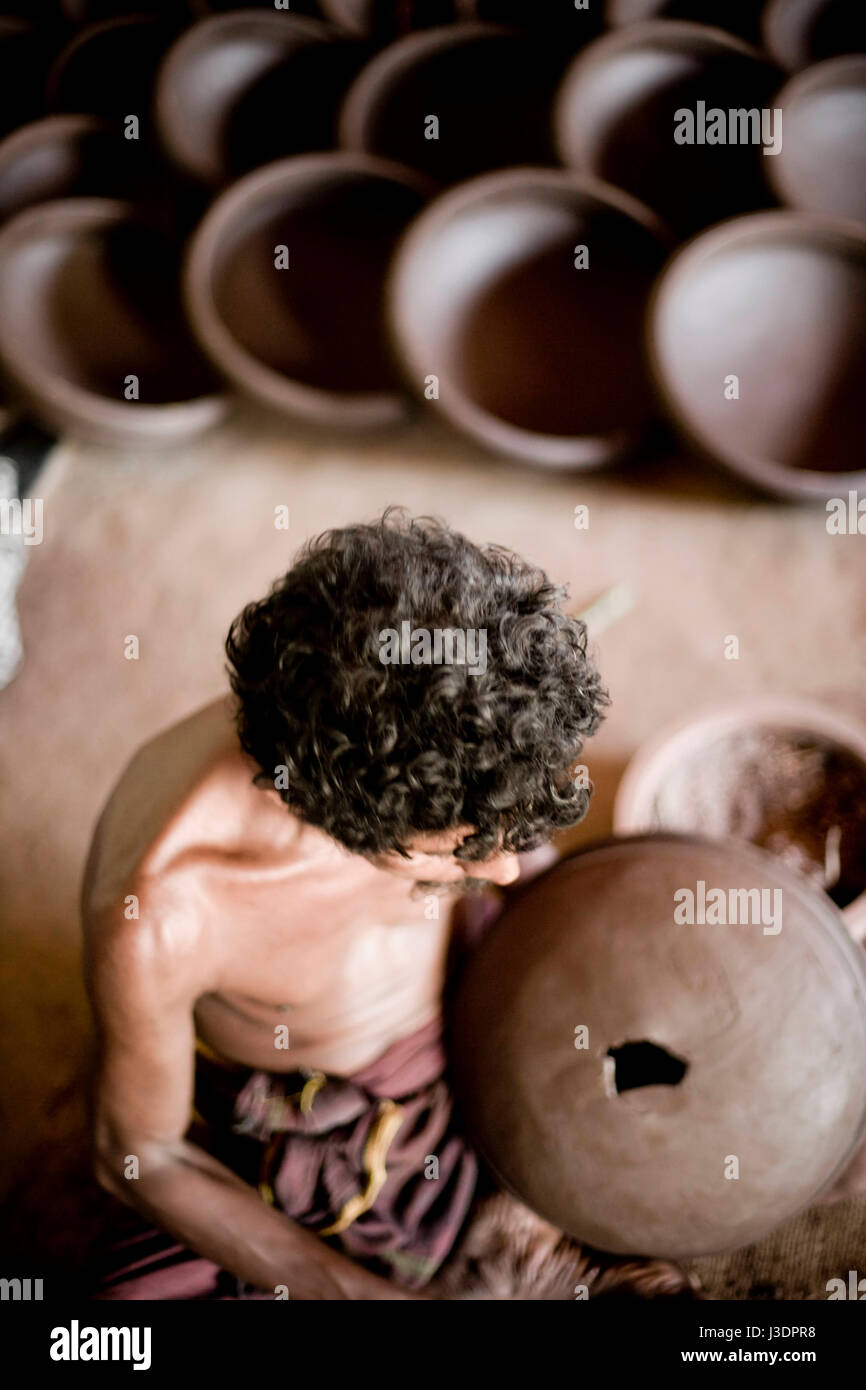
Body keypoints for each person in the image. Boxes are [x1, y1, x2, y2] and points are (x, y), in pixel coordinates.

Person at [83, 510, 685, 1300]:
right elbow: (139, 1156)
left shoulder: (464, 680)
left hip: (476, 1000)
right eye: (463, 849)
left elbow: (508, 856)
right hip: (317, 1110)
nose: (504, 871)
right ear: (339, 822)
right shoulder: (169, 912)